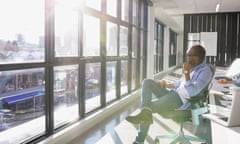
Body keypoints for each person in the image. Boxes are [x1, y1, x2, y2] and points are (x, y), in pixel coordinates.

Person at [126, 45, 213, 144]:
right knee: (148, 82)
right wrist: (165, 84)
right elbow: (178, 84)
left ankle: (139, 140)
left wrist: (186, 73)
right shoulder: (192, 68)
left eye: (190, 55)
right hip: (173, 94)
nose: (188, 58)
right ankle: (145, 115)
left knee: (147, 107)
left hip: (181, 100)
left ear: (199, 56)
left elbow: (192, 92)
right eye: (187, 55)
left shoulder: (205, 71)